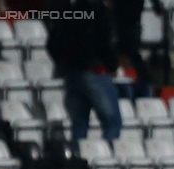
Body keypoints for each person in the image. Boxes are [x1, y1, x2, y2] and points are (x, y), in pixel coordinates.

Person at [46, 0, 122, 141]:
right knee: (112, 122)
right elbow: (107, 42)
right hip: (95, 70)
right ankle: (108, 156)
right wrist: (112, 65)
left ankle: (79, 157)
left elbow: (52, 43)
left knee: (79, 123)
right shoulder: (101, 12)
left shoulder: (69, 12)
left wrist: (63, 62)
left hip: (72, 73)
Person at [111, 0, 164, 94]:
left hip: (127, 18)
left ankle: (143, 76)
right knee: (126, 49)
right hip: (124, 18)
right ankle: (143, 76)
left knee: (128, 48)